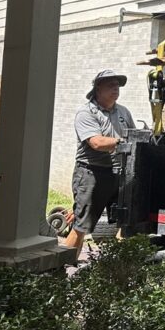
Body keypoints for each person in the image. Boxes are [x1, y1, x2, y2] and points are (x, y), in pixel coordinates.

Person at [64, 69, 136, 255]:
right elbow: (96, 142)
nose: (116, 88)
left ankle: (118, 266)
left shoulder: (123, 112)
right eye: (110, 84)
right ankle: (62, 268)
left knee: (126, 222)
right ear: (98, 88)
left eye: (117, 85)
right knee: (81, 226)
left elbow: (134, 138)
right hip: (91, 175)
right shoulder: (86, 112)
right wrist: (122, 141)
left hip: (119, 174)